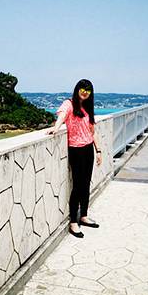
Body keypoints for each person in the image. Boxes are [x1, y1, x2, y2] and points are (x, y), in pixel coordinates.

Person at [47, 79, 102, 238]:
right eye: (82, 89)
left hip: (88, 149)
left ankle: (83, 215)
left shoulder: (87, 108)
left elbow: (92, 132)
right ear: (77, 89)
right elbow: (62, 115)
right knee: (77, 186)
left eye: (88, 90)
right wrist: (56, 128)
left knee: (86, 183)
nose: (85, 92)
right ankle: (73, 222)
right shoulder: (69, 104)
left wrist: (98, 150)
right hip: (76, 150)